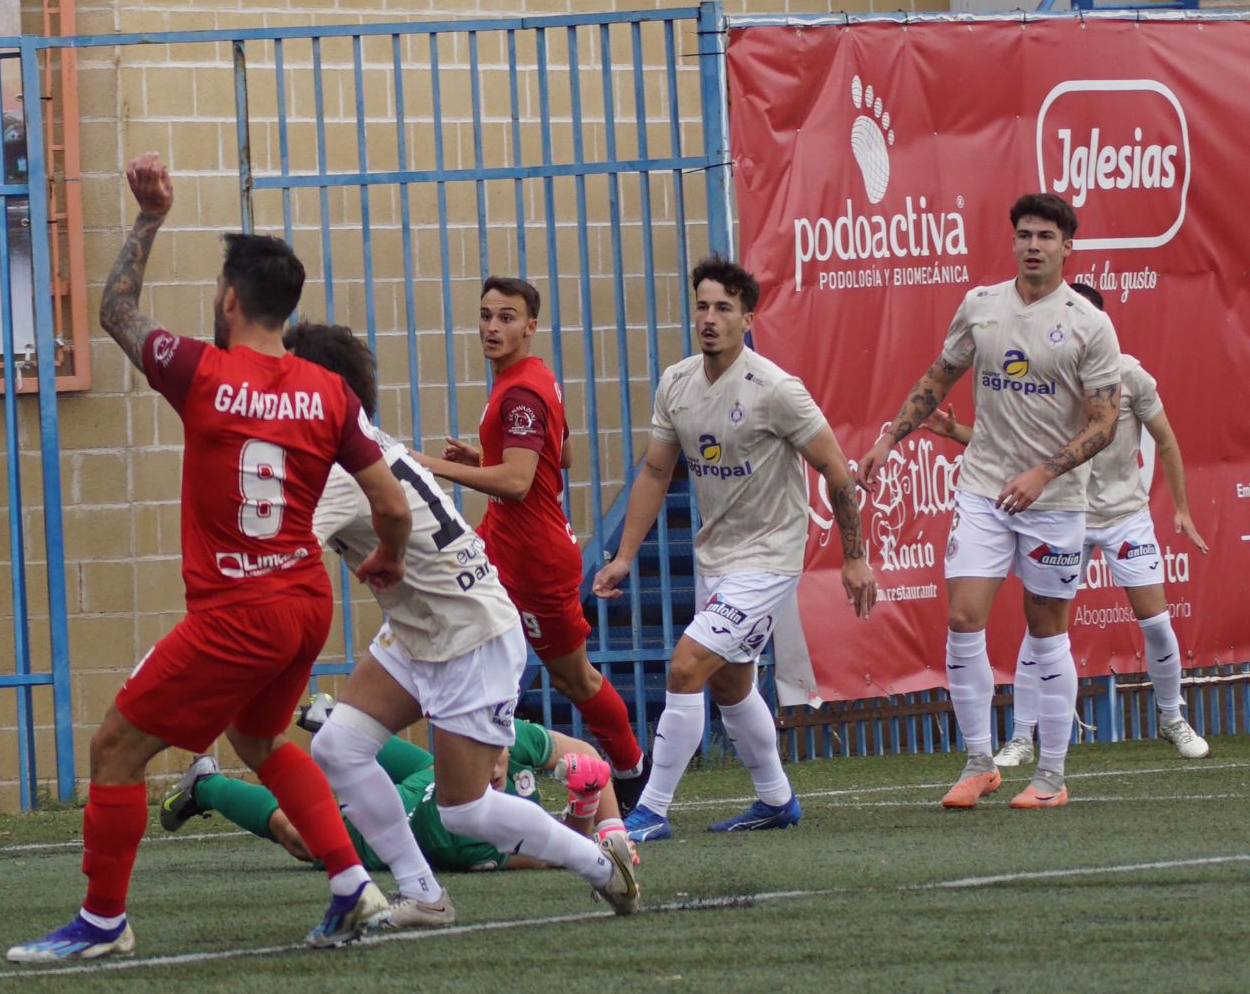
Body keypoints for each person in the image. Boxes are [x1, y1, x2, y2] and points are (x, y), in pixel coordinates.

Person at [7, 154, 415, 965]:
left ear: (229, 299)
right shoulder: (328, 393)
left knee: (116, 747)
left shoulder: (202, 372)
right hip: (305, 605)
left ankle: (101, 923)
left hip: (240, 612)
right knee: (261, 742)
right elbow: (392, 504)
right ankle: (351, 885)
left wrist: (151, 215)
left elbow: (115, 310)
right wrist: (389, 561)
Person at [276, 321, 639, 927]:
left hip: (469, 636)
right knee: (339, 746)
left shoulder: (336, 468)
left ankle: (605, 867)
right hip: (424, 628)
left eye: (283, 379)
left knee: (465, 813)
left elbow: (284, 550)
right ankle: (424, 895)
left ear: (319, 392)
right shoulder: (358, 444)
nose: (273, 394)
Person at [855, 194, 1122, 810]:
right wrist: (887, 440)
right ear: (1012, 242)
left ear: (1067, 247)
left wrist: (1042, 473)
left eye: (1046, 236)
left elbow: (1105, 422)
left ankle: (1051, 776)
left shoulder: (1089, 322)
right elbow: (937, 380)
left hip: (1055, 501)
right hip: (982, 489)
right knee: (962, 619)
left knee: (1046, 628)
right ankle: (979, 762)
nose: (1033, 245)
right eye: (1024, 234)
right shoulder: (980, 305)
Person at [595, 257, 874, 842]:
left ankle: (652, 809)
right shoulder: (677, 383)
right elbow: (653, 470)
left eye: (724, 307)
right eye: (702, 306)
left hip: (769, 558)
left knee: (686, 666)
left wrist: (854, 556)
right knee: (729, 684)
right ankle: (776, 800)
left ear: (748, 317)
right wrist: (623, 556)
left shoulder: (776, 389)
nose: (710, 318)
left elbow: (836, 470)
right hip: (716, 557)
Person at [921, 281, 1211, 764]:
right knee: (1045, 630)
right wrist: (955, 433)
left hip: (1122, 515)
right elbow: (1012, 448)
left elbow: (1166, 439)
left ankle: (1171, 716)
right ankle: (1021, 736)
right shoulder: (1039, 372)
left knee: (1156, 622)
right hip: (1060, 512)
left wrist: (1181, 508)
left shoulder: (1128, 376)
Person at [414, 278, 645, 779]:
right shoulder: (531, 376)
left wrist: (429, 465)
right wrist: (485, 458)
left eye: (507, 317)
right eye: (486, 315)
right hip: (500, 541)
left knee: (573, 679)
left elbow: (519, 482)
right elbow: (560, 455)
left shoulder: (520, 391)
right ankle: (471, 771)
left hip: (536, 560)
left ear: (530, 327)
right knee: (456, 635)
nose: (492, 327)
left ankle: (629, 773)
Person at [160, 715, 628, 878]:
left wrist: (612, 831)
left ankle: (337, 723)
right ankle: (207, 784)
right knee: (302, 837)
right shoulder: (471, 835)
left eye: (498, 763)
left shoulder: (514, 739)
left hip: (426, 791)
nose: (495, 770)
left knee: (426, 768)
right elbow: (556, 855)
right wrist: (584, 810)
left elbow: (586, 754)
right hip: (407, 814)